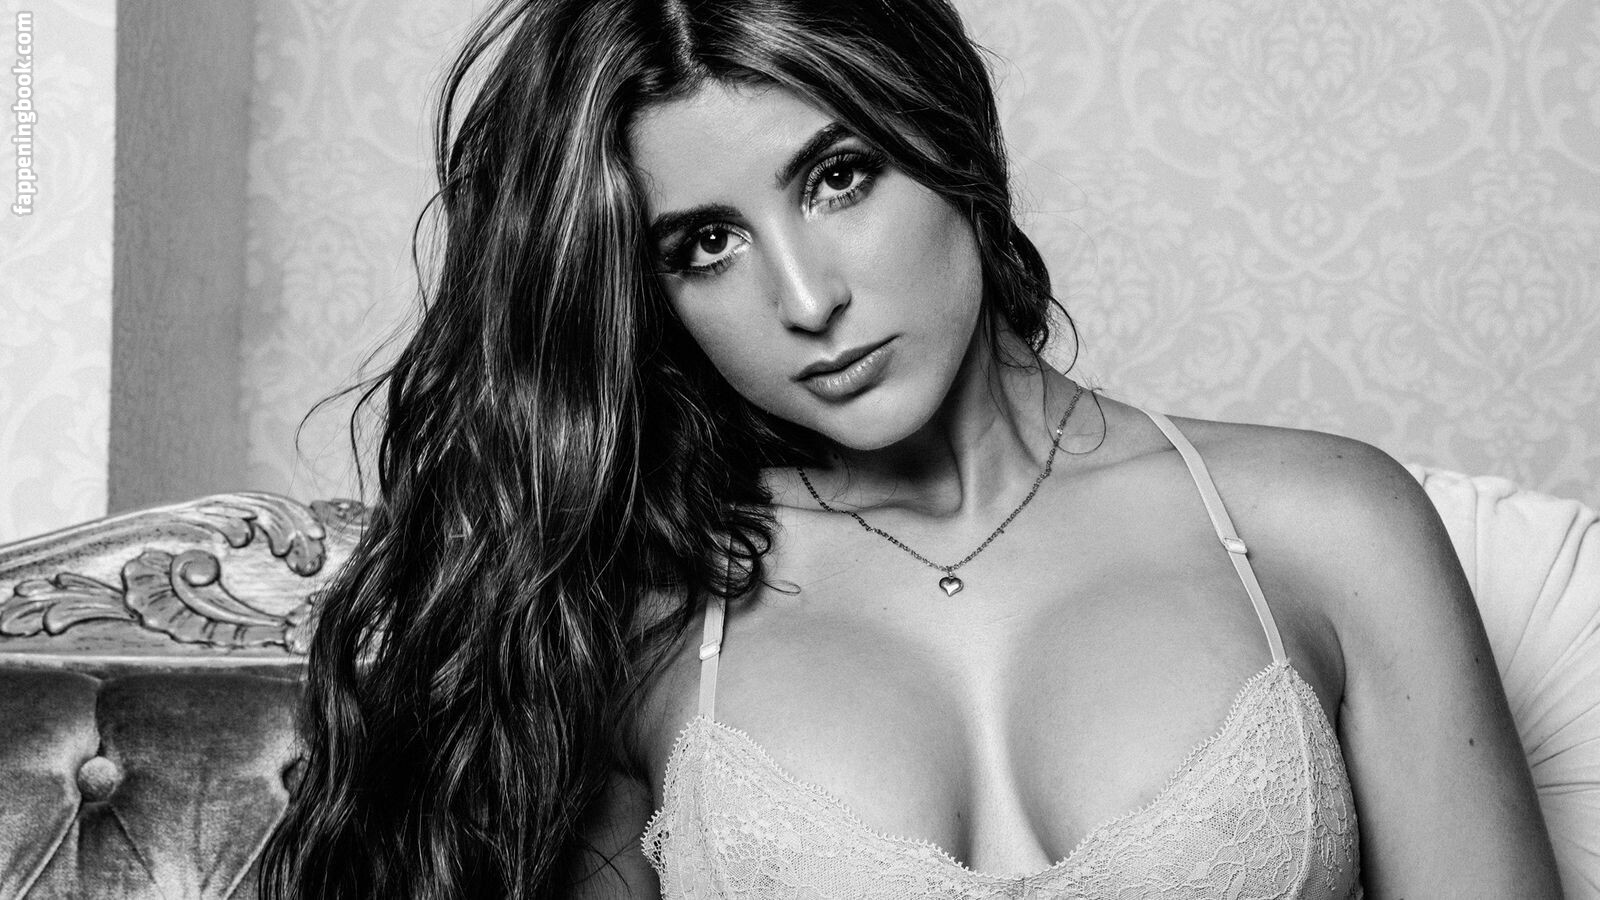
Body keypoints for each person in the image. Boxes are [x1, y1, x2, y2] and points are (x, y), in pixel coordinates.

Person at [260, 0, 1563, 897]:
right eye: (706, 244)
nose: (805, 298)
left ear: (951, 138)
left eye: (838, 176)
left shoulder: (1325, 527)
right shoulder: (648, 618)